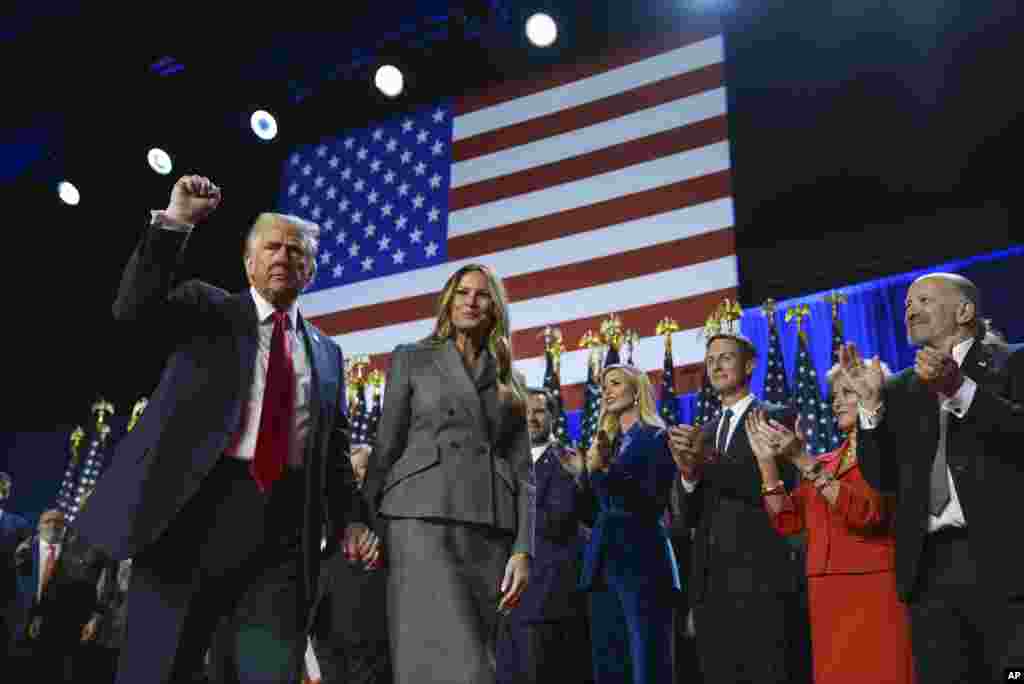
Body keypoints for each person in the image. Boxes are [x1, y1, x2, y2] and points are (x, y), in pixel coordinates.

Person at [73, 175, 378, 684]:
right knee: (162, 667)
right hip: (191, 512)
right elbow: (132, 308)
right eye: (271, 247)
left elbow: (334, 455)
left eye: (296, 250)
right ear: (248, 263)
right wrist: (176, 224)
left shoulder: (328, 354)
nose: (283, 256)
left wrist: (352, 519)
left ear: (311, 270)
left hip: (284, 530)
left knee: (266, 671)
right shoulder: (206, 308)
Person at [838, 272, 1024, 682]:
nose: (910, 310)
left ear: (965, 311)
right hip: (929, 571)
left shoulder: (1012, 362)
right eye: (907, 304)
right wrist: (870, 409)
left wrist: (959, 389)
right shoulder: (901, 388)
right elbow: (883, 477)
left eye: (923, 300)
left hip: (1004, 562)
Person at [362, 263, 532, 684]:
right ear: (448, 302)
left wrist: (523, 549)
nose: (471, 301)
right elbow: (386, 447)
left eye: (482, 294)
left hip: (488, 529)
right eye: (462, 292)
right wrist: (363, 520)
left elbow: (523, 473)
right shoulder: (412, 358)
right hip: (419, 519)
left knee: (480, 660)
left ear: (495, 308)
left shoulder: (511, 380)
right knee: (433, 659)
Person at [747, 362, 915, 684]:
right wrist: (767, 465)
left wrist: (802, 460)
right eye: (834, 395)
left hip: (873, 589)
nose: (836, 402)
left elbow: (867, 513)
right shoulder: (825, 462)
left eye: (847, 392)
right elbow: (788, 521)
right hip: (826, 593)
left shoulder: (889, 455)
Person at [668, 332, 809, 684]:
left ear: (749, 365)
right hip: (711, 587)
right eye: (710, 359)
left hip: (761, 579)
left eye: (726, 357)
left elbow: (771, 489)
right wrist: (687, 476)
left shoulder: (777, 417)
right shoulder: (705, 431)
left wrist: (707, 459)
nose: (716, 365)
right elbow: (688, 517)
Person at [578, 364, 680, 684]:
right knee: (610, 662)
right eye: (604, 386)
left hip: (641, 559)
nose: (607, 391)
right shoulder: (605, 443)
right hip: (602, 562)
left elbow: (652, 500)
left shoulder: (656, 437)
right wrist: (586, 472)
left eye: (616, 383)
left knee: (646, 660)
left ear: (636, 390)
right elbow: (591, 510)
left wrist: (607, 470)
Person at [498, 388, 592, 684]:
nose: (531, 418)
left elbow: (559, 521)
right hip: (505, 600)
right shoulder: (503, 462)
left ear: (553, 415)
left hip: (545, 600)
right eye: (524, 412)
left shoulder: (565, 459)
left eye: (539, 411)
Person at [311, 444, 392, 684]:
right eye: (351, 473)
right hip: (325, 621)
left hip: (366, 631)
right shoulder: (330, 517)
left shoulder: (378, 524)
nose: (355, 478)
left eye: (361, 470)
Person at [11, 510, 110, 682]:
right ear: (39, 526)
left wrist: (95, 616)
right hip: (19, 621)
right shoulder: (25, 550)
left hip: (57, 627)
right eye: (48, 521)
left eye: (58, 523)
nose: (53, 525)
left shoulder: (75, 555)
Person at [0, 472, 32, 664]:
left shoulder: (20, 525)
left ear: (5, 493)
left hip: (5, 602)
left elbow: (28, 568)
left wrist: (23, 557)